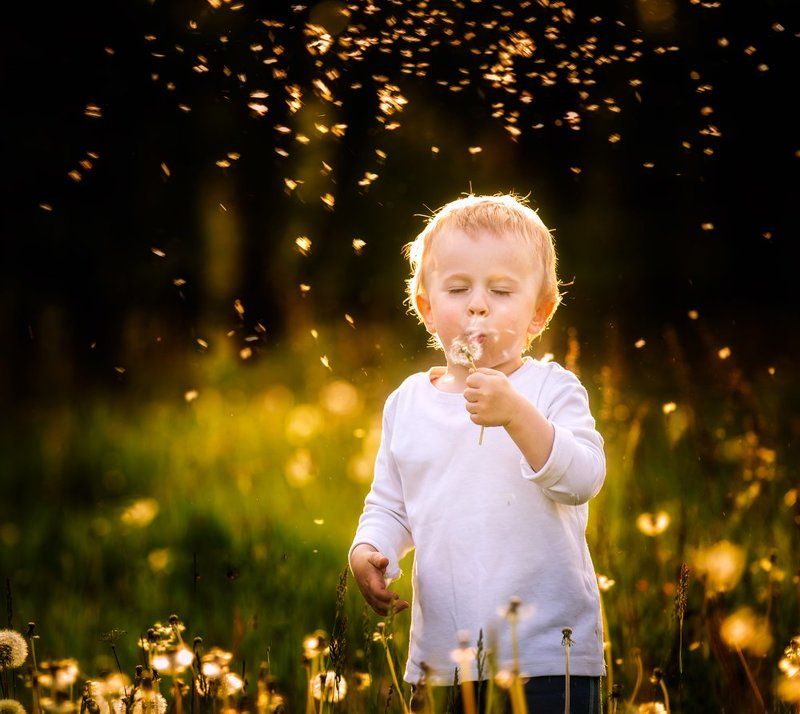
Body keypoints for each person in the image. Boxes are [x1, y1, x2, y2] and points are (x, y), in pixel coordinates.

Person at [348, 193, 606, 713]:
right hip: (445, 657)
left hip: (548, 654)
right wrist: (370, 549)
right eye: (458, 288)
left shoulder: (550, 390)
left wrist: (516, 415)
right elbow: (392, 504)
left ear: (539, 313)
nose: (477, 304)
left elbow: (582, 479)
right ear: (425, 306)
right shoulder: (408, 403)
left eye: (502, 290)